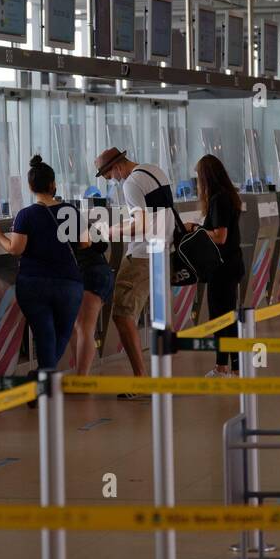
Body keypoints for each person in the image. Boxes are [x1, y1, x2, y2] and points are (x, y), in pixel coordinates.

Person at [0, 156, 85, 374]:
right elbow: (83, 242)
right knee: (62, 333)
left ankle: (41, 378)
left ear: (31, 187)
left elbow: (15, 249)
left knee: (44, 333)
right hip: (68, 283)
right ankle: (43, 376)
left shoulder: (26, 215)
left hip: (34, 283)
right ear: (53, 185)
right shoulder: (71, 211)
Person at [92, 146, 174, 400]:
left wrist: (109, 231)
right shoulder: (154, 170)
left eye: (110, 177)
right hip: (162, 250)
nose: (113, 181)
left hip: (142, 255)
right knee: (156, 315)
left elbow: (141, 225)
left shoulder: (131, 183)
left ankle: (142, 379)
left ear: (116, 167)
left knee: (122, 313)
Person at [188, 154, 245, 377]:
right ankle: (227, 366)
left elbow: (220, 236)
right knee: (224, 317)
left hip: (223, 268)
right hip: (231, 264)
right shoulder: (228, 196)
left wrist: (195, 229)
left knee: (223, 319)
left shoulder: (218, 200)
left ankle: (230, 367)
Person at [71, 203, 114, 376]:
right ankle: (80, 375)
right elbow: (103, 245)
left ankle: (82, 378)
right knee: (78, 327)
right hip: (100, 273)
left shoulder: (49, 220)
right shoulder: (72, 216)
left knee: (83, 327)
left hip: (90, 275)